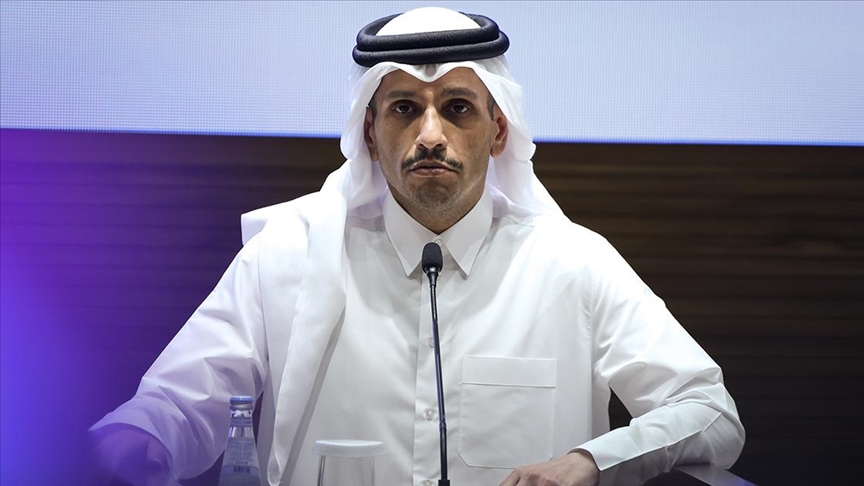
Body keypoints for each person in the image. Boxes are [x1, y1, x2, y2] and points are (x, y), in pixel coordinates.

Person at [89, 7, 745, 486]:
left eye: (457, 108)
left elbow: (709, 412)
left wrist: (590, 461)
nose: (430, 135)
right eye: (404, 108)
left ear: (497, 132)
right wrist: (131, 440)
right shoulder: (287, 254)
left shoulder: (574, 263)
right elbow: (178, 405)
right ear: (370, 135)